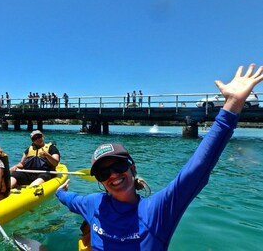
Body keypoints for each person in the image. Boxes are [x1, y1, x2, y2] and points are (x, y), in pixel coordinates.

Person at [56, 64, 263, 250]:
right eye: (103, 172)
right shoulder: (93, 203)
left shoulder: (157, 211)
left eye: (119, 166)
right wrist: (58, 192)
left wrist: (232, 106)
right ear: (99, 180)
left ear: (132, 168)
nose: (113, 175)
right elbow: (72, 200)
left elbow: (197, 169)